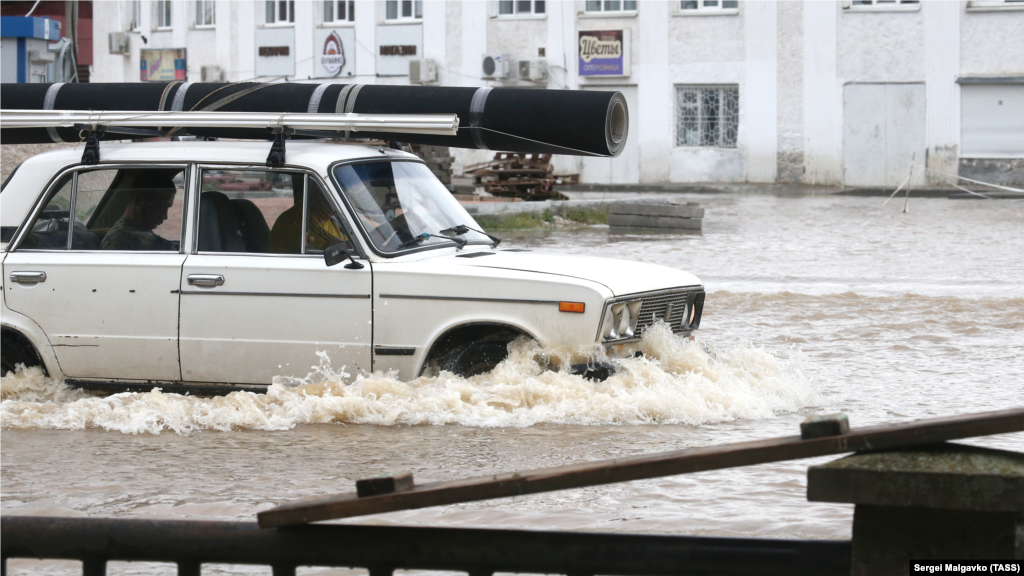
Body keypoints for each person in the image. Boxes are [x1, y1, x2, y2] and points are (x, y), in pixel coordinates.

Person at [101, 172, 178, 251]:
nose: (165, 216)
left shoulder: (141, 231)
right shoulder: (117, 242)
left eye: (166, 208)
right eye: (160, 207)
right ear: (138, 200)